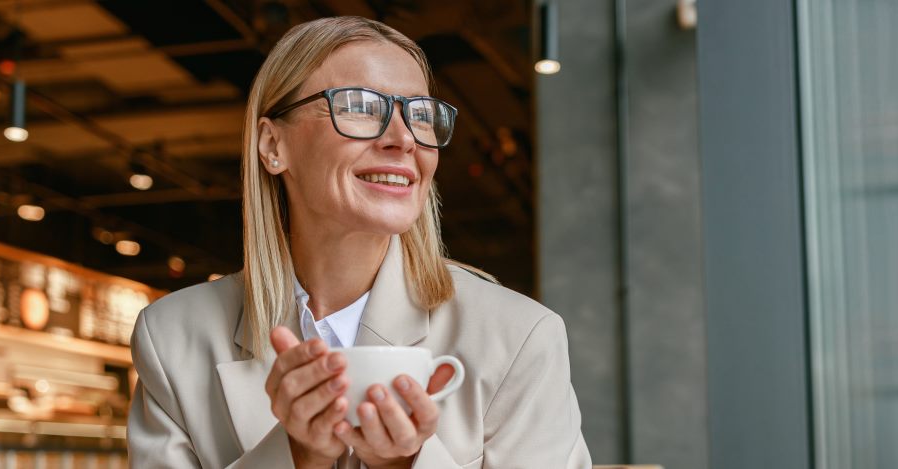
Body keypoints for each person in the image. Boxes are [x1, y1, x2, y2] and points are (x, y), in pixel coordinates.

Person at [126, 16, 592, 468]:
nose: (403, 138)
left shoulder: (519, 338)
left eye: (420, 114)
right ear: (272, 146)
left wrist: (405, 464)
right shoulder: (172, 338)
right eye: (359, 106)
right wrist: (296, 456)